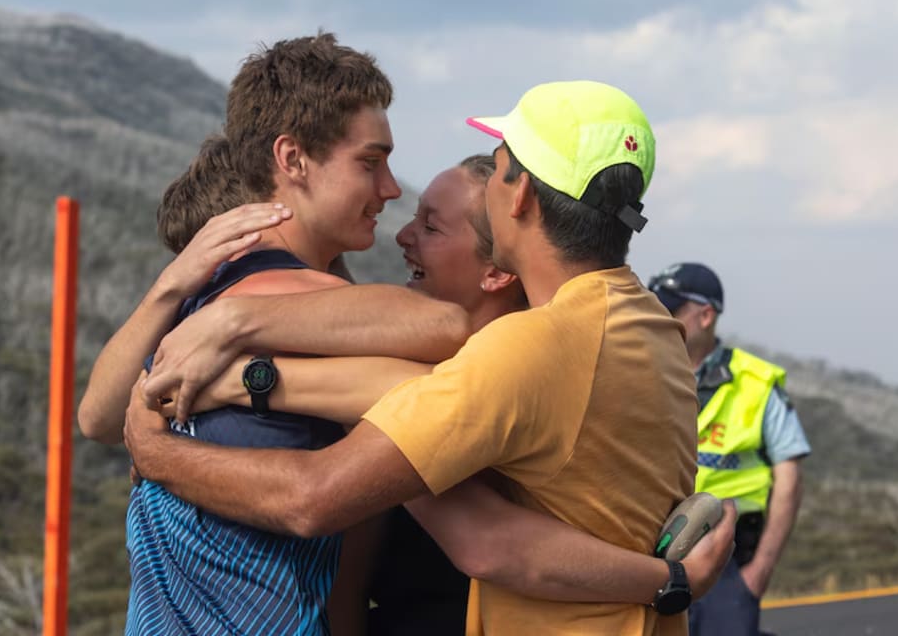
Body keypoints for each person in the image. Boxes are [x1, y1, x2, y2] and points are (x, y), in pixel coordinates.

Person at [127, 80, 705, 635]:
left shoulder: (533, 349)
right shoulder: (654, 328)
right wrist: (247, 380)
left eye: (500, 167)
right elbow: (409, 392)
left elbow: (314, 498)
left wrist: (157, 452)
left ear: (521, 194)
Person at [648, 262, 811, 636]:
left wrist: (758, 574)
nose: (658, 319)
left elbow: (790, 480)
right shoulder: (639, 371)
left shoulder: (756, 382)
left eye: (670, 311)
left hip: (730, 558)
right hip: (652, 550)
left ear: (706, 316)